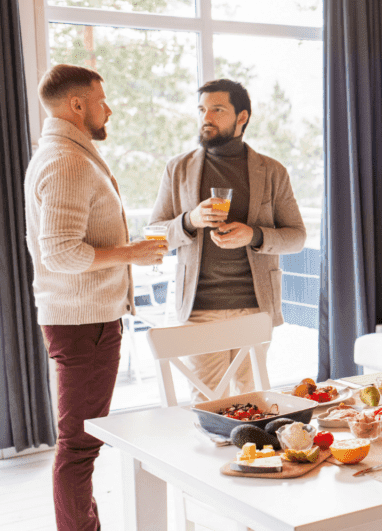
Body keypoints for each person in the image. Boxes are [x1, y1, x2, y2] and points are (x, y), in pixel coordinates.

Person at [24, 64, 167, 531]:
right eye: (102, 100)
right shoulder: (66, 160)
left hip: (85, 320)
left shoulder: (65, 153)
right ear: (77, 104)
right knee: (80, 444)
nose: (110, 108)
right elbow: (61, 253)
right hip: (83, 323)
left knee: (81, 441)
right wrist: (134, 253)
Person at [149, 79, 305, 400]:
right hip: (200, 309)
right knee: (207, 404)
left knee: (253, 402)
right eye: (202, 109)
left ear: (242, 117)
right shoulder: (177, 169)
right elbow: (154, 233)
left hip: (254, 307)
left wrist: (255, 235)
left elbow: (297, 237)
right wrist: (190, 220)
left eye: (218, 109)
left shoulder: (272, 171)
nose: (207, 116)